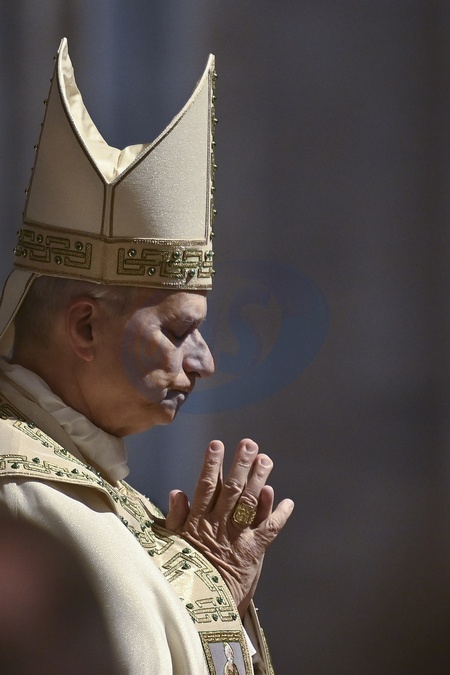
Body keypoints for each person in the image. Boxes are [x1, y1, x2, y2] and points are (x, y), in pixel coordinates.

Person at [0, 38, 293, 674]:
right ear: (85, 327)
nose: (204, 362)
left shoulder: (92, 484)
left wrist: (215, 598)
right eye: (178, 330)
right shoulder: (24, 498)